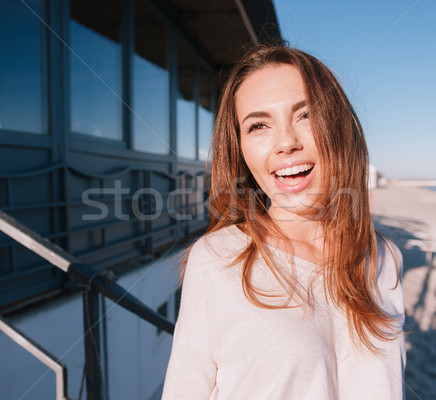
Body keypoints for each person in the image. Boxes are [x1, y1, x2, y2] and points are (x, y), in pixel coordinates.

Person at [162, 44, 406, 400]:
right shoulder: (219, 257)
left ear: (339, 126)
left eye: (305, 115)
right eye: (259, 125)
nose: (286, 142)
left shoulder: (382, 258)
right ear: (242, 149)